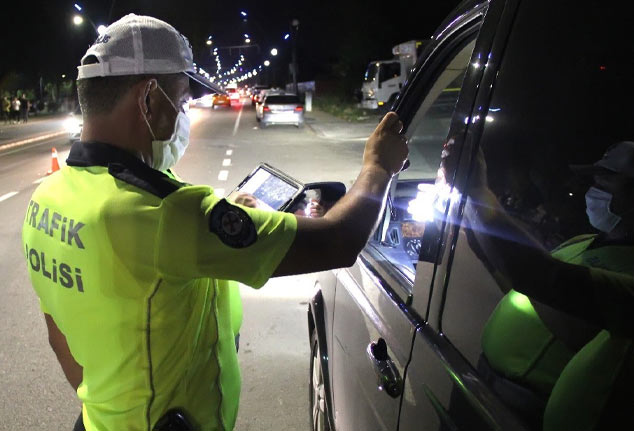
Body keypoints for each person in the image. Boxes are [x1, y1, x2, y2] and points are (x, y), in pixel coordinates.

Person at [21, 14, 408, 431]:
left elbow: (58, 334)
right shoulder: (167, 215)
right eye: (183, 101)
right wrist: (378, 167)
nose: (185, 114)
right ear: (149, 98)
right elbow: (338, 240)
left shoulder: (48, 198)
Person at [464, 141, 634, 430]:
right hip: (487, 385)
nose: (594, 185)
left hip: (523, 408)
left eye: (607, 177)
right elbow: (525, 285)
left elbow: (542, 282)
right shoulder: (586, 241)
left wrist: (479, 194)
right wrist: (487, 248)